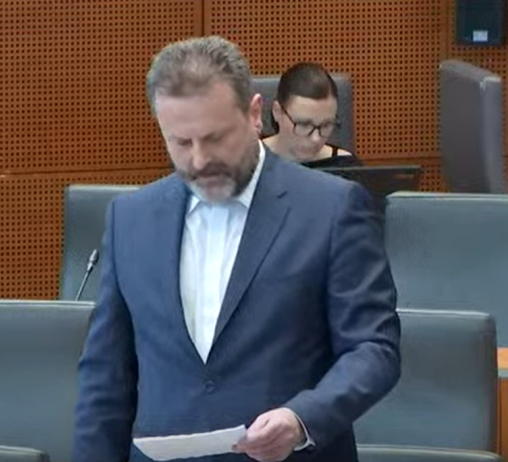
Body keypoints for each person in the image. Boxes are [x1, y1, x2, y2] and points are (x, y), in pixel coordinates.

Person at [72, 36, 400, 462]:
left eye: (215, 138)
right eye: (181, 143)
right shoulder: (130, 219)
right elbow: (105, 378)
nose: (199, 160)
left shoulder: (331, 208)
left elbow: (373, 348)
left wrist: (302, 419)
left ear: (254, 114)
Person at [262, 62, 361, 168]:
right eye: (304, 125)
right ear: (277, 112)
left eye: (326, 125)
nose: (316, 139)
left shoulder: (347, 167)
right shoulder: (251, 162)